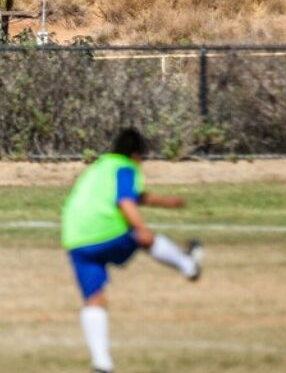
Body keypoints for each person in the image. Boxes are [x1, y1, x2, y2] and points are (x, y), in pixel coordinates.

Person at [61, 128, 204, 373]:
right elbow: (125, 200)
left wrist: (165, 202)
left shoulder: (100, 167)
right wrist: (141, 228)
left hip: (75, 238)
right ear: (136, 155)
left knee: (94, 300)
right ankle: (189, 266)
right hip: (104, 231)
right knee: (144, 238)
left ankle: (101, 364)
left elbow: (130, 195)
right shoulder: (125, 167)